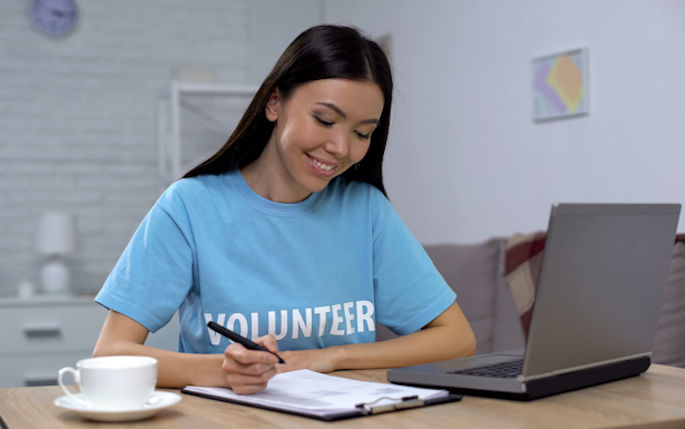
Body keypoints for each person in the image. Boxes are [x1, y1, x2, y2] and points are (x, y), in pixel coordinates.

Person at [93, 24, 476, 394]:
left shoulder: (366, 211)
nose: (341, 148)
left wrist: (331, 356)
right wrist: (222, 370)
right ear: (275, 102)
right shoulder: (189, 207)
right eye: (324, 120)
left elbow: (457, 339)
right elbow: (109, 354)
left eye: (362, 133)